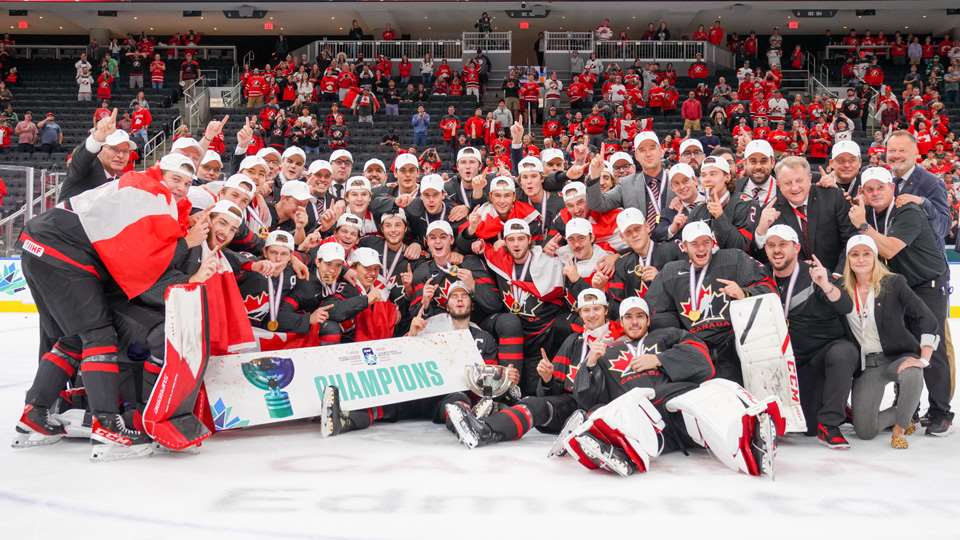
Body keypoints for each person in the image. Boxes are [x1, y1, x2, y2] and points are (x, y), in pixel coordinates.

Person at [559, 296, 781, 478]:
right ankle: (613, 450)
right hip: (646, 425)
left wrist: (660, 360)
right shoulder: (606, 353)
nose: (634, 322)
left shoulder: (668, 336)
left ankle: (753, 442)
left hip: (680, 412)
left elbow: (703, 363)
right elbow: (587, 398)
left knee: (719, 386)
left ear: (648, 319)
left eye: (639, 316)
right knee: (614, 406)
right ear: (621, 321)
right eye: (628, 317)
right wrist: (589, 364)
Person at [848, 166, 952, 435]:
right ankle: (908, 408)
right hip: (899, 286)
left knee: (933, 347)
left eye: (880, 187)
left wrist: (862, 225)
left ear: (892, 189)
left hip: (927, 283)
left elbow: (890, 248)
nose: (875, 193)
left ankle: (941, 411)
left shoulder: (907, 211)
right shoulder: (871, 213)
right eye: (869, 189)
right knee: (904, 346)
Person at [445, 288, 616, 449]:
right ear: (579, 314)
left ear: (606, 311)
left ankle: (590, 433)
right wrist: (547, 379)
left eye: (597, 309)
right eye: (586, 310)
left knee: (577, 411)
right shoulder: (573, 340)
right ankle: (483, 430)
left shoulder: (616, 342)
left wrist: (592, 364)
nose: (592, 315)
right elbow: (553, 392)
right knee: (531, 402)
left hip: (602, 409)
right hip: (571, 406)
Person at [762, 225, 859, 447]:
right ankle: (830, 405)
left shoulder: (815, 274)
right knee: (808, 428)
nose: (777, 251)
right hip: (790, 362)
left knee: (844, 352)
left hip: (821, 354)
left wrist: (825, 284)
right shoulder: (761, 276)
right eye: (771, 245)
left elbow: (845, 306)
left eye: (783, 245)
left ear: (796, 247)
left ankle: (831, 424)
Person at [646, 221, 776, 383]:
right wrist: (681, 336)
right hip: (696, 349)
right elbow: (657, 313)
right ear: (684, 247)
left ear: (713, 242)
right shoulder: (670, 272)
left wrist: (745, 293)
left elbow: (768, 287)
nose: (701, 249)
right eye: (695, 244)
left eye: (706, 242)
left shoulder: (734, 259)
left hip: (734, 342)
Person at [841, 235, 940, 448]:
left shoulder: (894, 283)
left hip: (897, 356)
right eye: (854, 254)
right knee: (864, 432)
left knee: (913, 372)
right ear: (848, 259)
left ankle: (900, 428)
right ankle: (902, 414)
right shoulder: (842, 289)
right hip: (868, 365)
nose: (860, 259)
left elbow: (927, 319)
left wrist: (923, 359)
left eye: (866, 254)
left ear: (875, 257)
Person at [754, 156, 856, 274]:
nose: (794, 187)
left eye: (799, 181)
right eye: (787, 183)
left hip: (835, 277)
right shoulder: (769, 211)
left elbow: (850, 239)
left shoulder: (833, 197)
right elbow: (763, 257)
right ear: (778, 184)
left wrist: (838, 274)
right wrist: (761, 231)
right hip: (793, 282)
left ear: (810, 178)